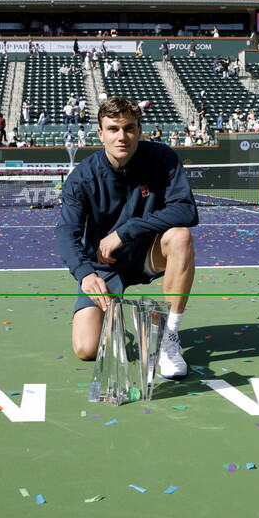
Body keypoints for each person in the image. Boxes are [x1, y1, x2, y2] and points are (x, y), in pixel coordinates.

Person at [54, 96, 197, 378]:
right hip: (104, 265)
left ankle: (168, 338)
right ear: (100, 134)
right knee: (86, 349)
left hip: (148, 254)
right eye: (113, 129)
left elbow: (186, 210)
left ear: (139, 131)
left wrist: (124, 231)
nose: (122, 136)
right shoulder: (81, 177)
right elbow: (66, 232)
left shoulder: (162, 158)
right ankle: (116, 312)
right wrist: (85, 275)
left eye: (129, 128)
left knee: (181, 237)